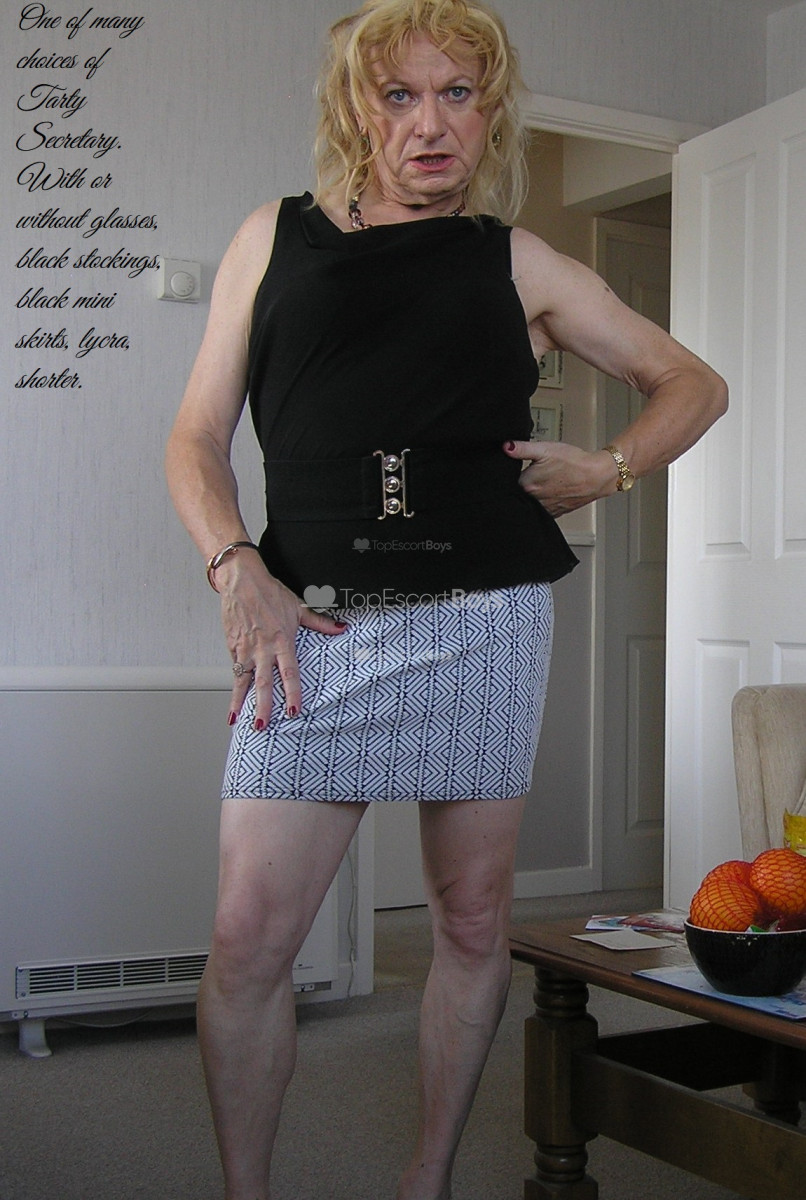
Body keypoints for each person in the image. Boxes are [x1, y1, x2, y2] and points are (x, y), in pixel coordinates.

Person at [165, 1, 727, 1197]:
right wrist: (235, 567)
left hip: (483, 621)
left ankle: (426, 1182)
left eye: (456, 94)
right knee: (249, 939)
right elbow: (195, 437)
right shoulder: (273, 237)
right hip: (309, 625)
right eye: (398, 95)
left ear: (489, 111)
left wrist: (610, 467)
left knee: (471, 922)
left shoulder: (515, 260)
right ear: (353, 108)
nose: (428, 125)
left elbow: (690, 381)